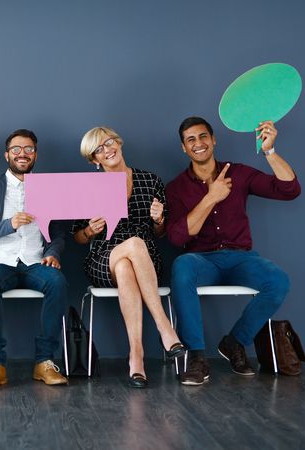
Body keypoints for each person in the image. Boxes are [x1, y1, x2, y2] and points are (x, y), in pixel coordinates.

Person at [166, 116, 301, 386]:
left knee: (278, 280)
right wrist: (211, 197)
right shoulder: (176, 188)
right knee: (182, 266)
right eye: (191, 139)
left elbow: (289, 190)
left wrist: (269, 151)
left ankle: (235, 342)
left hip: (241, 259)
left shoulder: (239, 173)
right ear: (184, 148)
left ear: (213, 140)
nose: (198, 143)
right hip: (201, 260)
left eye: (203, 136)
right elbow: (177, 237)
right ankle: (196, 357)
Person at [72, 126, 185, 388]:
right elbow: (77, 237)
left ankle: (136, 356)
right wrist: (90, 229)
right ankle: (165, 328)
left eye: (110, 142)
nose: (107, 149)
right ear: (94, 160)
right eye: (99, 149)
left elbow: (160, 233)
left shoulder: (150, 180)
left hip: (146, 260)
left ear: (119, 143)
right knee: (132, 245)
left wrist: (158, 219)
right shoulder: (88, 187)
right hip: (102, 258)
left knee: (126, 266)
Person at [0, 129, 69, 390]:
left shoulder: (48, 188)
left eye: (29, 149)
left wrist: (52, 254)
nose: (22, 154)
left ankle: (44, 361)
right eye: (16, 149)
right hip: (1, 261)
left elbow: (57, 234)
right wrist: (8, 224)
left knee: (57, 282)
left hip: (36, 262)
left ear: (35, 155)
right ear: (7, 154)